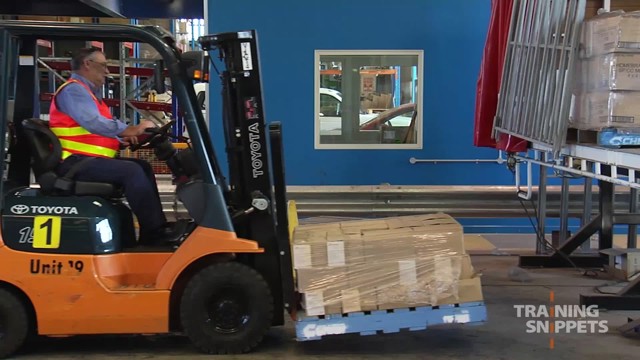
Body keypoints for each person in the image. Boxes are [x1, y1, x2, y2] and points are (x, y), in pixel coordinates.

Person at [49, 47, 179, 246]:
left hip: (86, 160)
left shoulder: (88, 94)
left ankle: (154, 229)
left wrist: (121, 139)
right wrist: (130, 130)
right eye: (103, 66)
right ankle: (154, 233)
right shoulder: (74, 90)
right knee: (132, 171)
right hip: (74, 163)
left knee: (142, 166)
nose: (107, 71)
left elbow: (91, 132)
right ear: (87, 64)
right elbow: (92, 122)